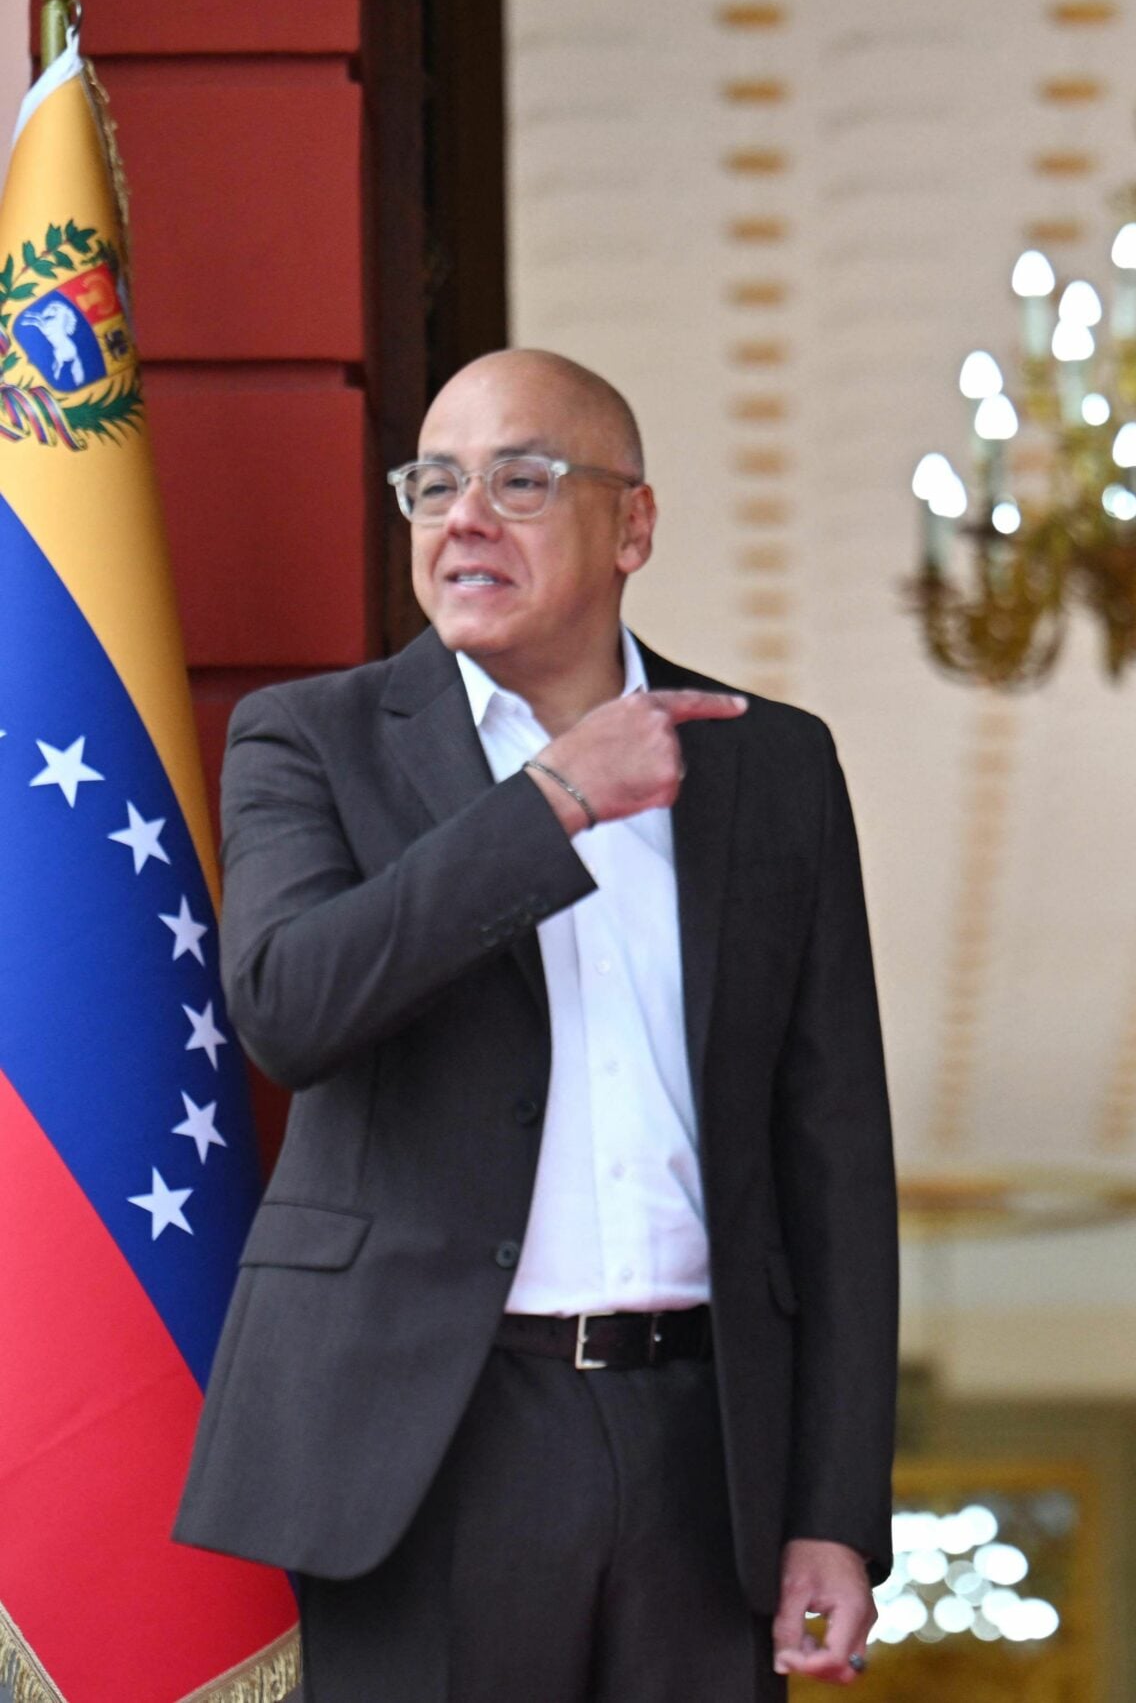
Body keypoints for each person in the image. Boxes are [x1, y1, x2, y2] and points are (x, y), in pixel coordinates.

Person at [173, 350, 897, 1699]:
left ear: (633, 525)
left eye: (520, 480)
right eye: (435, 484)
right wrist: (550, 802)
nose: (464, 519)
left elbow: (836, 1157)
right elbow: (288, 1009)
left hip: (704, 1448)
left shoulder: (773, 763)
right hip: (430, 1442)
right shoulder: (311, 739)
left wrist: (835, 1512)